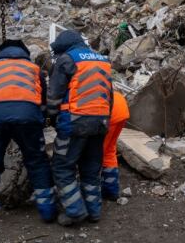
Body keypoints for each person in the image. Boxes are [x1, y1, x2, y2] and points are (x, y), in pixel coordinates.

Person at [0, 39, 56, 225]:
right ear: (24, 52)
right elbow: (43, 101)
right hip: (28, 117)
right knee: (37, 161)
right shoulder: (34, 69)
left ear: (0, 52)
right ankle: (48, 211)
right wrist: (38, 121)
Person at [48, 29, 114, 226]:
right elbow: (108, 94)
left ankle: (75, 211)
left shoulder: (67, 59)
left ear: (64, 48)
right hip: (101, 122)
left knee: (62, 167)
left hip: (74, 122)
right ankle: (94, 212)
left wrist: (50, 117)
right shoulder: (102, 60)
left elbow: (54, 97)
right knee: (91, 169)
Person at [101, 91, 130, 201]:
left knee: (98, 153)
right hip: (120, 105)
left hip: (110, 112)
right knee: (109, 150)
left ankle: (100, 190)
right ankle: (112, 190)